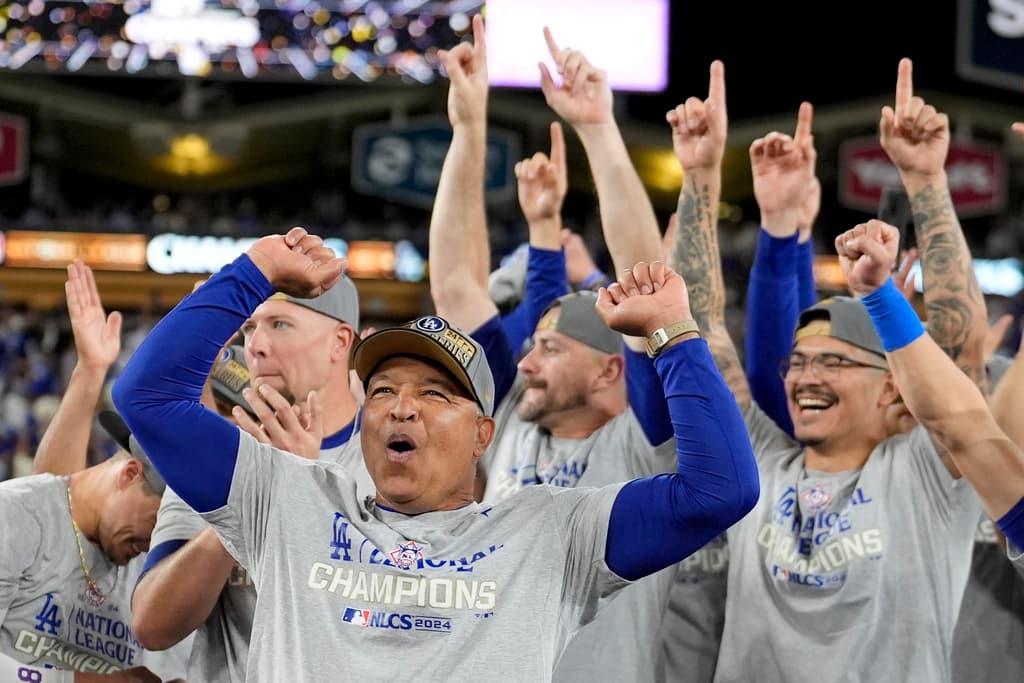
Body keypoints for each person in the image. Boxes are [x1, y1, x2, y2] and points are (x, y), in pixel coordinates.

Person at [110, 225, 758, 682]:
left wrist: (674, 333)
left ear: (483, 434)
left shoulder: (550, 532)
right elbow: (149, 395)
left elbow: (720, 489)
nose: (401, 405)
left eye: (435, 392)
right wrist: (255, 270)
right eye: (384, 387)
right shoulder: (286, 496)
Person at [666, 57, 987, 682]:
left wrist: (926, 181)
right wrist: (701, 173)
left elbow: (961, 350)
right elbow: (697, 326)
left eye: (833, 361)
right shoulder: (757, 459)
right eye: (799, 362)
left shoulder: (927, 472)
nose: (804, 377)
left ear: (893, 386)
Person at [131, 274, 371, 683]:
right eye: (249, 327)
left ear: (340, 341)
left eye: (280, 325)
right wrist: (246, 502)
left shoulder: (390, 459)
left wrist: (304, 489)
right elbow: (153, 624)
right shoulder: (216, 457)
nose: (255, 346)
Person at [0, 413, 165, 680]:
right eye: (156, 521)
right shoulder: (15, 515)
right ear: (129, 474)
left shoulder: (142, 561)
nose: (151, 544)